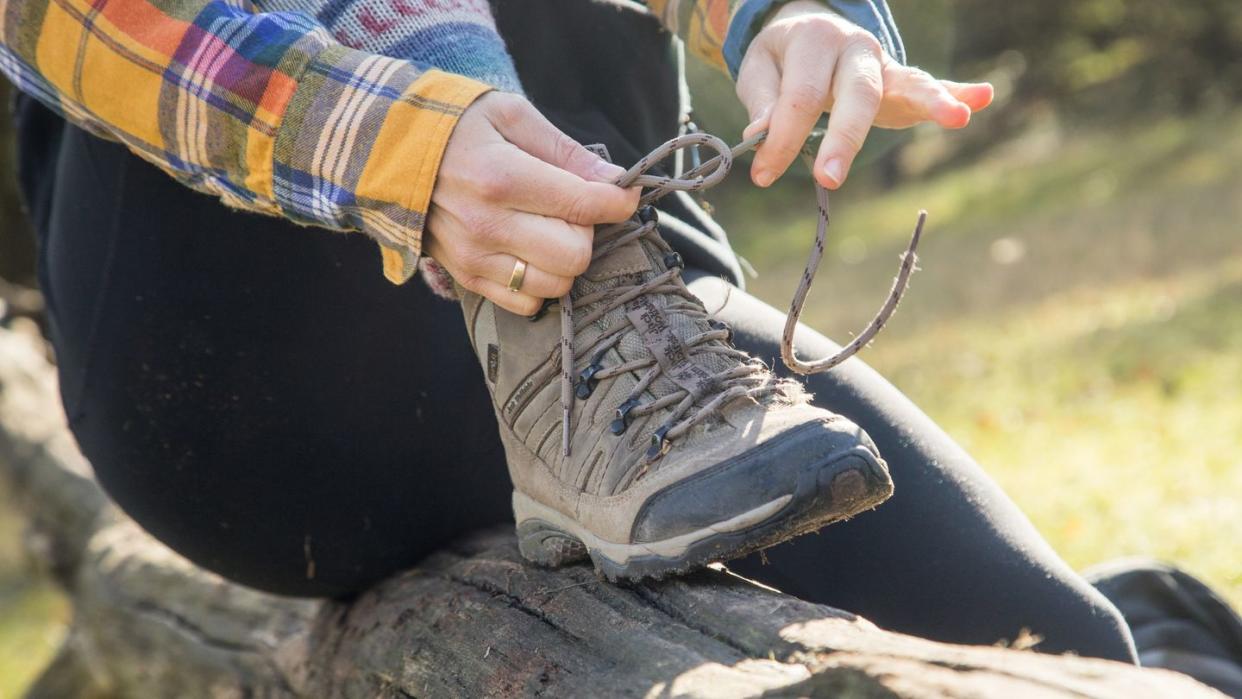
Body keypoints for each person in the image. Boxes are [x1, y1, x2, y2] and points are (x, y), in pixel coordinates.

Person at [3, 0, 1138, 662]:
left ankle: (1160, 619)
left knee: (1056, 642)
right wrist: (407, 154)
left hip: (639, 334)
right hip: (253, 373)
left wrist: (780, 15)